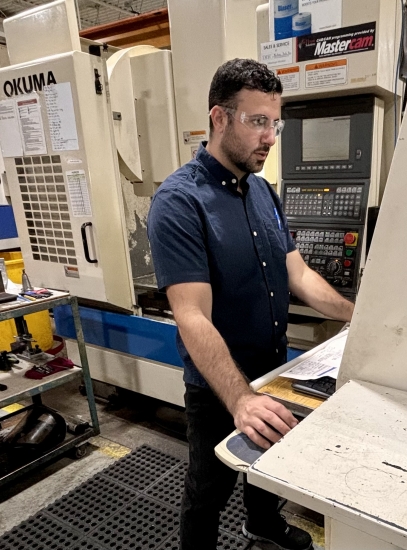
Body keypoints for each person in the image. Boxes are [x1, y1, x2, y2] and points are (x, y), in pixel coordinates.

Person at [147, 58, 355, 550]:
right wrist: (240, 399)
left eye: (274, 123)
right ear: (219, 118)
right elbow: (191, 315)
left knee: (270, 462)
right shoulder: (179, 201)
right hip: (219, 384)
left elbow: (297, 274)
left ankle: (263, 526)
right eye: (257, 121)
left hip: (273, 367)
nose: (270, 137)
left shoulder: (262, 191)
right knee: (208, 488)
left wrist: (360, 316)